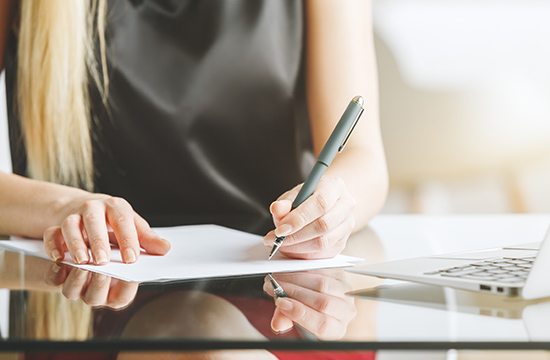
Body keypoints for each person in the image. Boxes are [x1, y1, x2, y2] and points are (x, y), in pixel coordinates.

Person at [0, 0, 387, 266]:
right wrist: (60, 206)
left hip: (281, 283)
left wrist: (333, 206)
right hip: (92, 279)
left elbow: (363, 158)